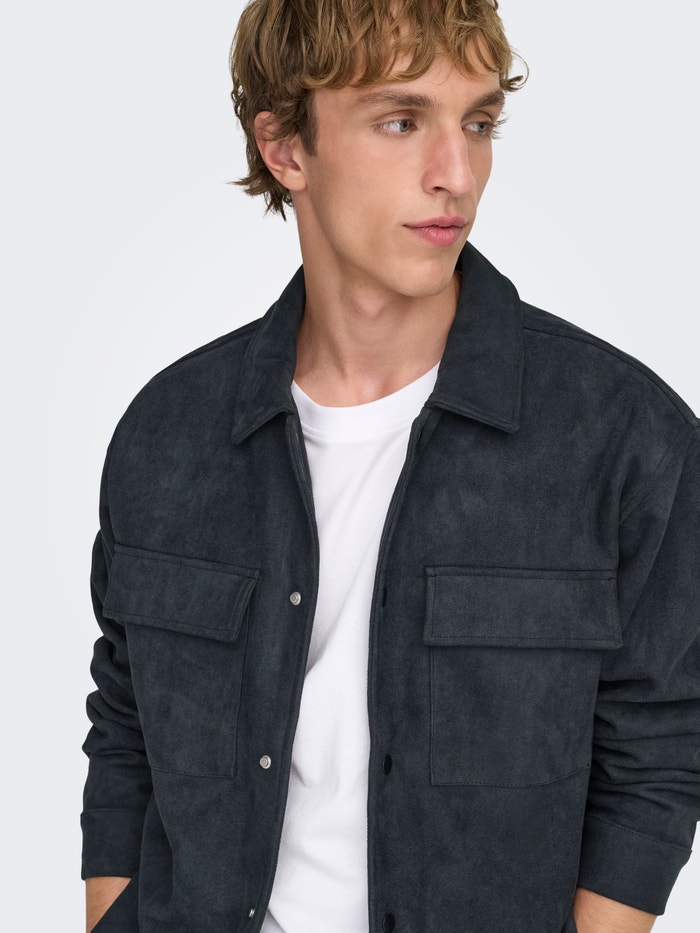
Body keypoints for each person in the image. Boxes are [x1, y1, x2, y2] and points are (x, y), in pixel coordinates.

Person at [81, 1, 700, 931]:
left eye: (479, 123)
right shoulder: (167, 433)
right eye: (402, 121)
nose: (458, 174)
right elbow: (126, 718)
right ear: (286, 149)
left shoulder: (624, 436)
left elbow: (659, 748)